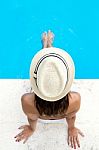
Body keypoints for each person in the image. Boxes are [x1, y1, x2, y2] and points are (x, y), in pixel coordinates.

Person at [14, 30, 84, 149]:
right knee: (54, 72)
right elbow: (71, 116)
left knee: (44, 72)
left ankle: (46, 48)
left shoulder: (27, 100)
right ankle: (49, 48)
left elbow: (32, 118)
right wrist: (71, 128)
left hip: (39, 107)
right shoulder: (75, 99)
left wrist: (31, 129)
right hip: (62, 104)